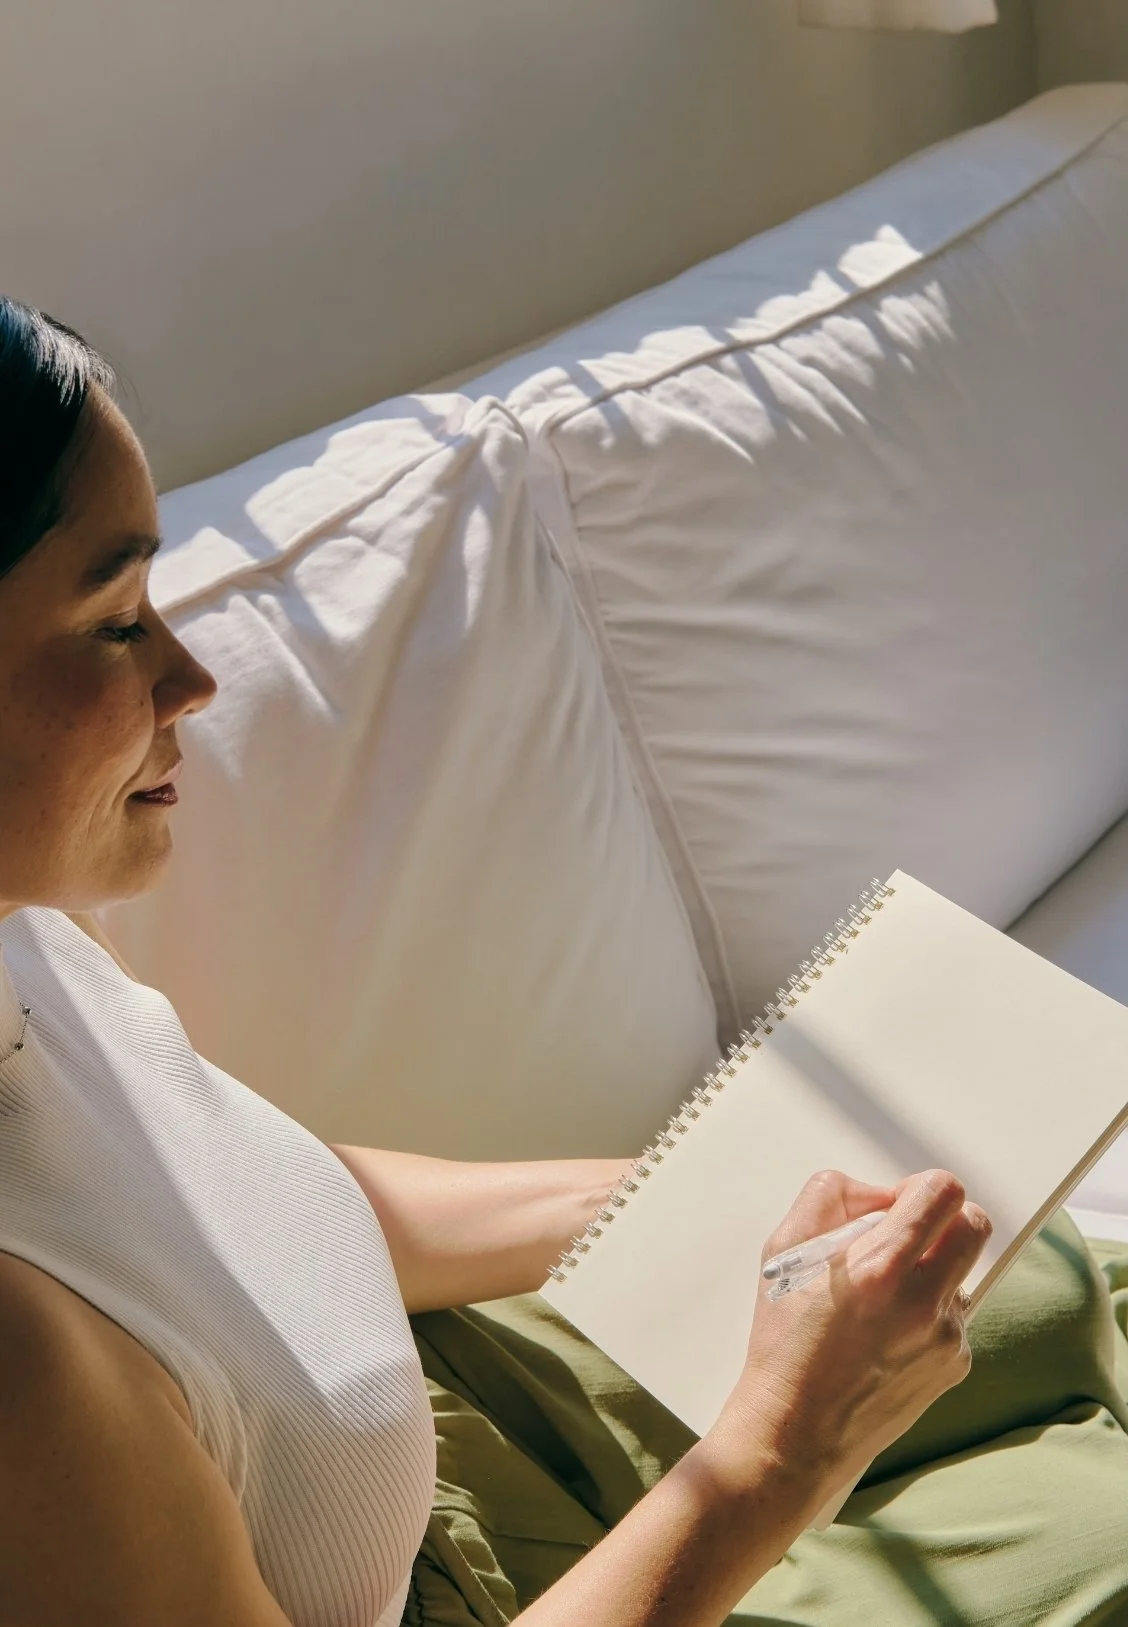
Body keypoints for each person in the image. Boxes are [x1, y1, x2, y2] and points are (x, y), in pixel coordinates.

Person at [0, 296, 1125, 1627]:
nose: (192, 677)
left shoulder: (25, 913)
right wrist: (781, 1444)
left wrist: (691, 1191)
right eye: (115, 621)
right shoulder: (22, 1380)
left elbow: (223, 1206)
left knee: (1038, 1268)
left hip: (443, 1408)